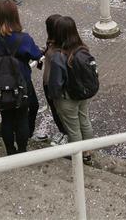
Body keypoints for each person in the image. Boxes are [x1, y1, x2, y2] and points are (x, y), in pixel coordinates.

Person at [0, 0, 43, 155]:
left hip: (0, 87)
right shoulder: (24, 39)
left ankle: (10, 151)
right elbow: (36, 54)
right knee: (22, 117)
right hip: (22, 85)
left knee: (6, 119)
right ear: (16, 16)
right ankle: (22, 150)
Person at [45, 16, 95, 159]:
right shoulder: (83, 49)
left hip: (67, 99)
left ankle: (78, 156)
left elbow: (55, 84)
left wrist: (53, 98)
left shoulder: (58, 56)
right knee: (84, 120)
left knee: (73, 129)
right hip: (83, 93)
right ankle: (88, 151)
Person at [41, 14, 68, 145]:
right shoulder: (52, 43)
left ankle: (66, 133)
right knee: (55, 110)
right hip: (48, 82)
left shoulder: (61, 48)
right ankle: (63, 131)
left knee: (60, 110)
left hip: (54, 84)